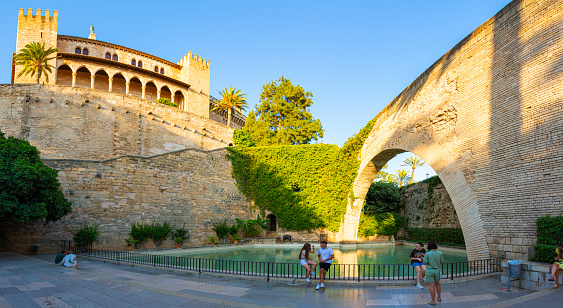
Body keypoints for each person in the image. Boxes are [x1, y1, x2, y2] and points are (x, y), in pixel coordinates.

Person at [423, 241, 443, 305]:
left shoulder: (427, 254)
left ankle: (433, 301)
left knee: (431, 286)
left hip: (430, 270)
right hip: (437, 270)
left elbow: (424, 263)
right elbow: (441, 262)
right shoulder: (440, 253)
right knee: (437, 284)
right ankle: (439, 297)